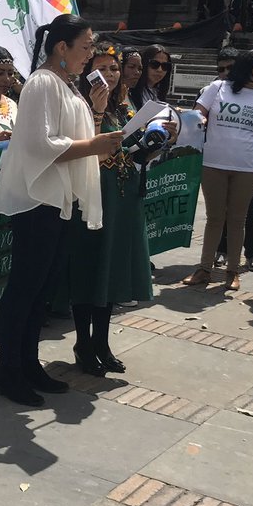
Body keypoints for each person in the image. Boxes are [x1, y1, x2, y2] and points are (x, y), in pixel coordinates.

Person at [0, 15, 123, 406]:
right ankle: (6, 371)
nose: (90, 55)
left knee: (41, 291)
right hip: (37, 200)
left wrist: (99, 123)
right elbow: (41, 146)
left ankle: (28, 364)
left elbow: (79, 139)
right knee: (24, 288)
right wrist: (98, 144)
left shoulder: (67, 85)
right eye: (85, 47)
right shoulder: (42, 83)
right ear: (61, 47)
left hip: (60, 200)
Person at [51, 41, 153, 374]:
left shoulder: (123, 105)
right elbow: (89, 153)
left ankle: (102, 342)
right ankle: (83, 342)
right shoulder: (79, 102)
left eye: (113, 67)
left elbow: (130, 150)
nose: (109, 74)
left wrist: (152, 144)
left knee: (111, 269)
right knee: (88, 268)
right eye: (101, 67)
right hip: (91, 195)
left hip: (122, 196)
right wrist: (96, 112)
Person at [184, 49, 253, 291]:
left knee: (237, 220)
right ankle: (205, 268)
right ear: (248, 65)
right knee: (214, 218)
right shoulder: (217, 88)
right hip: (213, 164)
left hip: (246, 167)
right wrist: (197, 119)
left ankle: (232, 271)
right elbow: (198, 113)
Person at [129, 44, 172, 110]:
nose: (159, 70)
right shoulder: (130, 92)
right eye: (154, 64)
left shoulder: (159, 94)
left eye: (165, 66)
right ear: (144, 64)